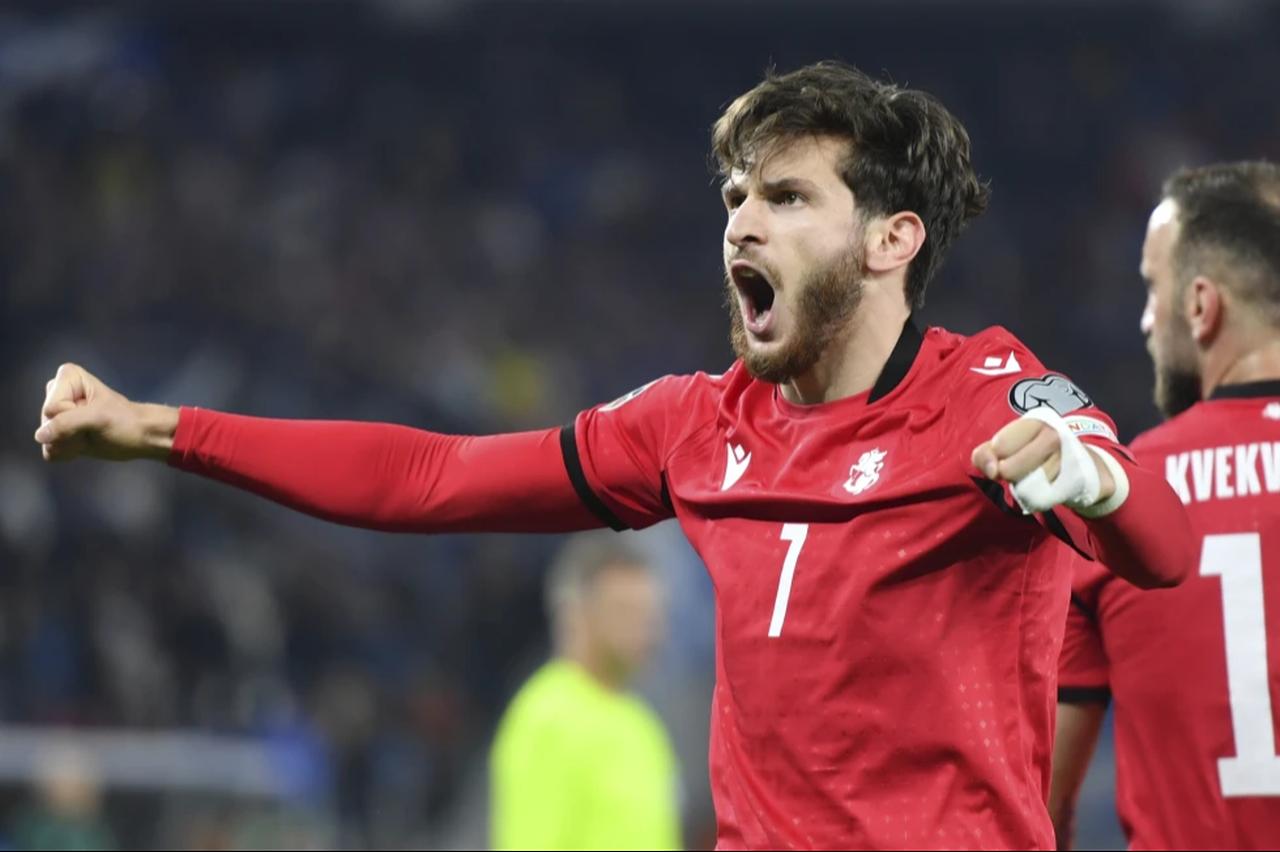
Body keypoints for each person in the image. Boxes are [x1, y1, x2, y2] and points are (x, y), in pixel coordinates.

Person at [34, 62, 1192, 849]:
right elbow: (429, 480)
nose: (741, 221)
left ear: (890, 240)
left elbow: (1161, 551)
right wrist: (163, 430)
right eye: (735, 195)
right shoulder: (697, 424)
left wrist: (1094, 476)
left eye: (788, 197)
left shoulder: (989, 388)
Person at [1050, 161, 1280, 849]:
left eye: (1153, 288)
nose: (1147, 321)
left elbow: (1037, 806)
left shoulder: (1116, 503)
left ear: (1202, 306)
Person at [489, 531, 679, 851]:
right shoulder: (547, 719)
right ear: (576, 614)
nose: (646, 630)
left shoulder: (643, 724)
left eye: (649, 614)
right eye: (625, 610)